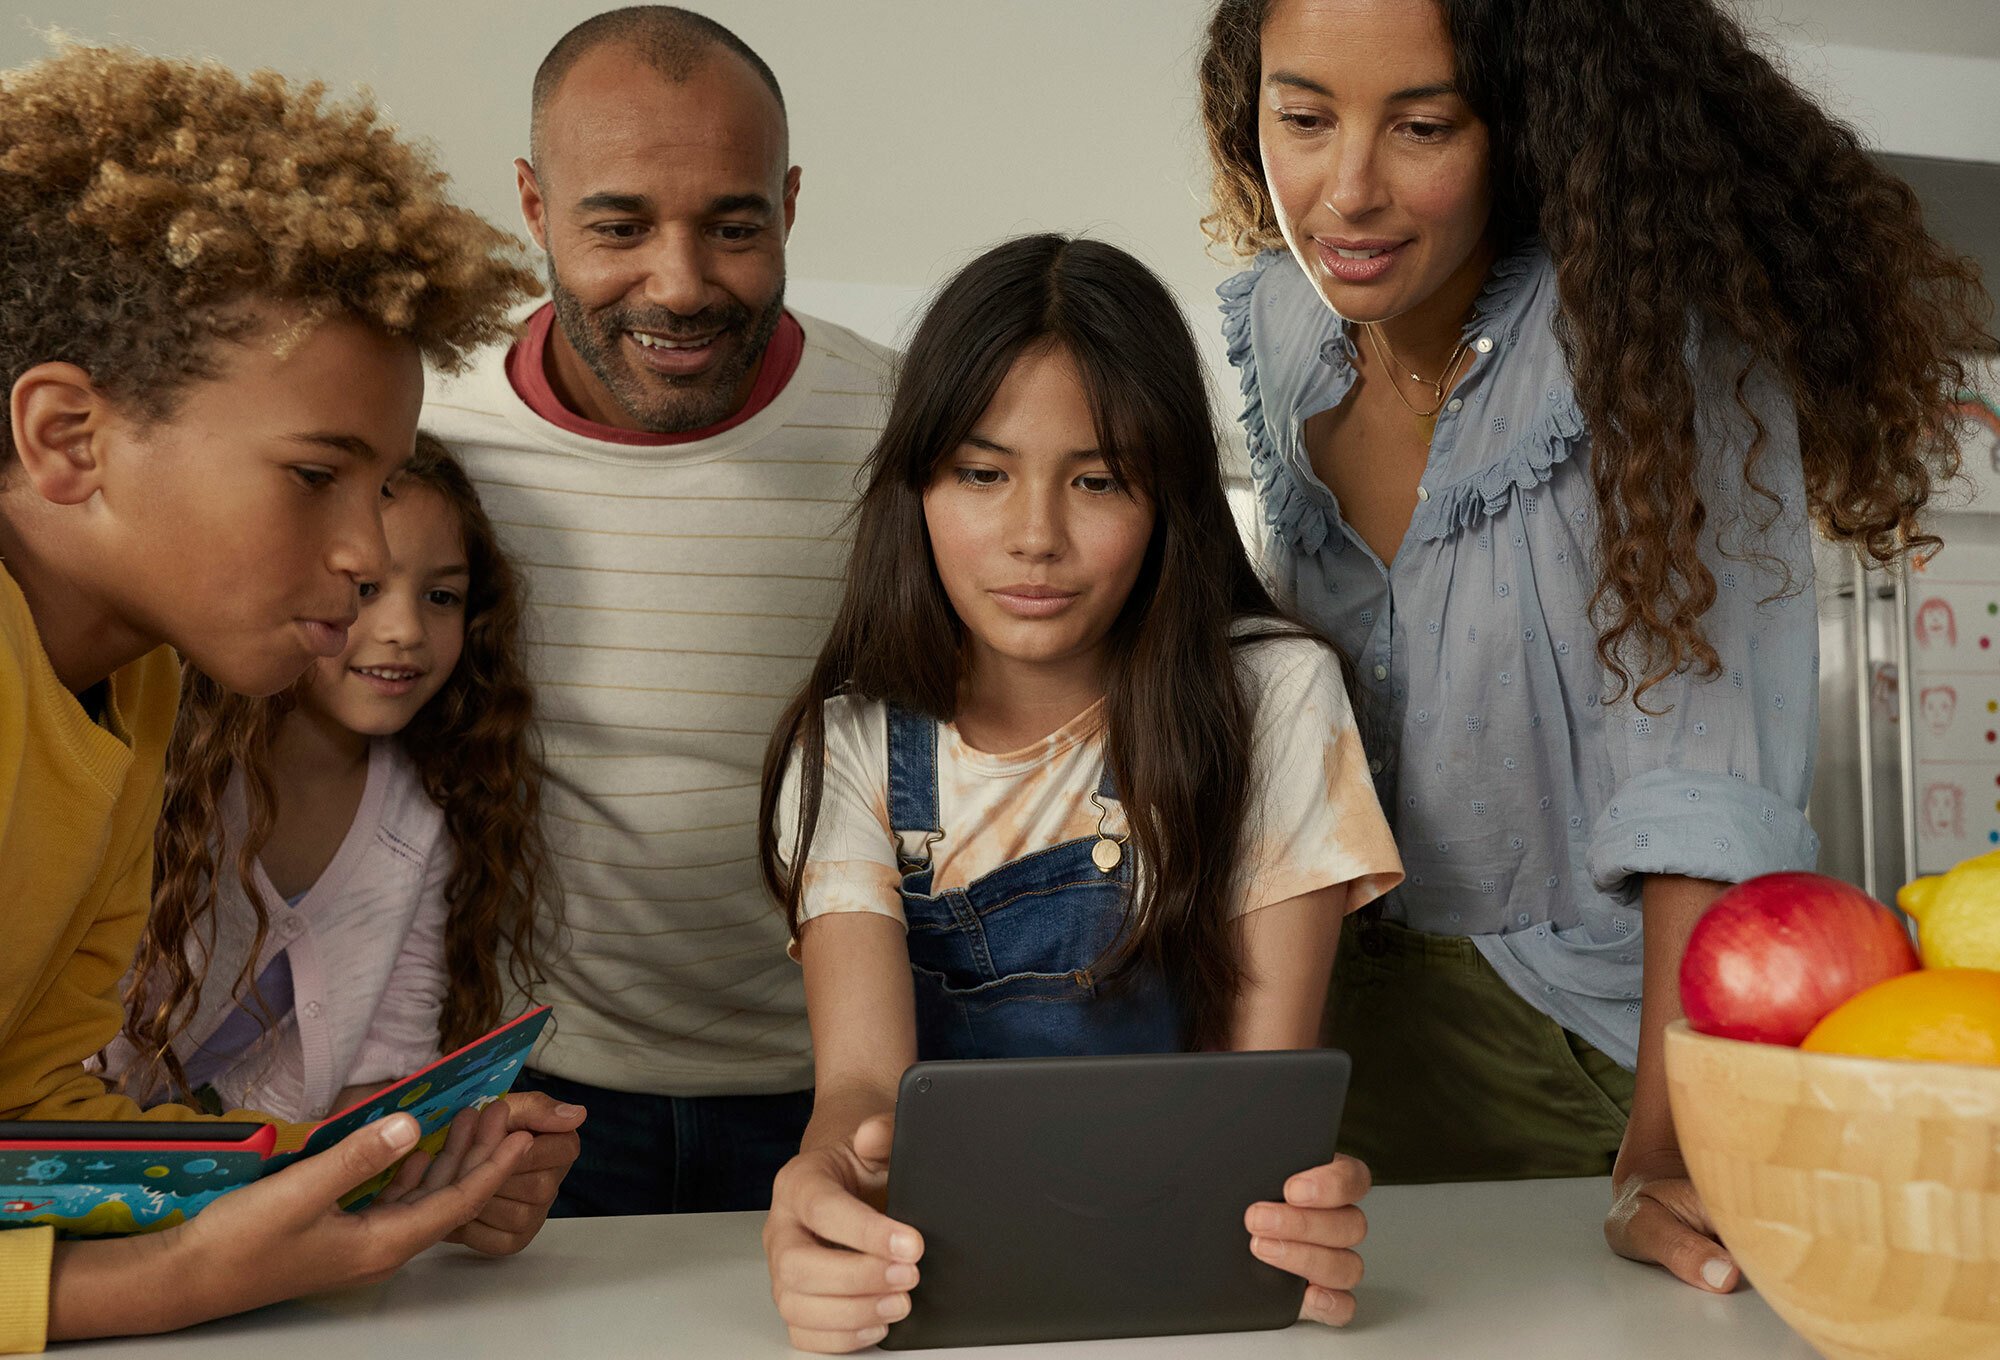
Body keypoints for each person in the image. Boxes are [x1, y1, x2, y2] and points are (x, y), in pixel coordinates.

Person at [1198, 0, 1990, 1294]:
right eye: (1303, 117)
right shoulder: (1288, 337)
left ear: (1527, 126)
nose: (1345, 190)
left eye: (1422, 125)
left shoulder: (1653, 345)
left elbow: (1706, 790)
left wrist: (1664, 1156)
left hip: (1588, 1043)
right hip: (1336, 1021)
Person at [0, 44, 581, 1350]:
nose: (370, 554)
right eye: (317, 475)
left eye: (377, 485)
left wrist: (334, 1166)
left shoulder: (134, 686)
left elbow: (32, 1119)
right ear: (66, 441)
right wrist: (169, 1284)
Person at [756, 234, 1404, 1353]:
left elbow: (1258, 1094)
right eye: (980, 472)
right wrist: (821, 1194)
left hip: (1195, 1294)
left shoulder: (1273, 696)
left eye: (1097, 480)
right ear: (915, 483)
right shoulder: (849, 744)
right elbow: (860, 1086)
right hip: (943, 1301)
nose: (1034, 538)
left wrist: (1295, 1211)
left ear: (1168, 501)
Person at [424, 6, 896, 1215]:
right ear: (532, 207)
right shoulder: (428, 430)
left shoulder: (906, 428)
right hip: (530, 1092)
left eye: (733, 226)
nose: (679, 286)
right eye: (618, 225)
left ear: (788, 204)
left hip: (851, 1093)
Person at [102, 435, 553, 1124]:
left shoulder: (423, 818)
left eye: (441, 595)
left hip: (212, 1181)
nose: (405, 629)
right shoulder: (165, 765)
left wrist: (413, 1151)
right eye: (365, 589)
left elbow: (387, 1058)